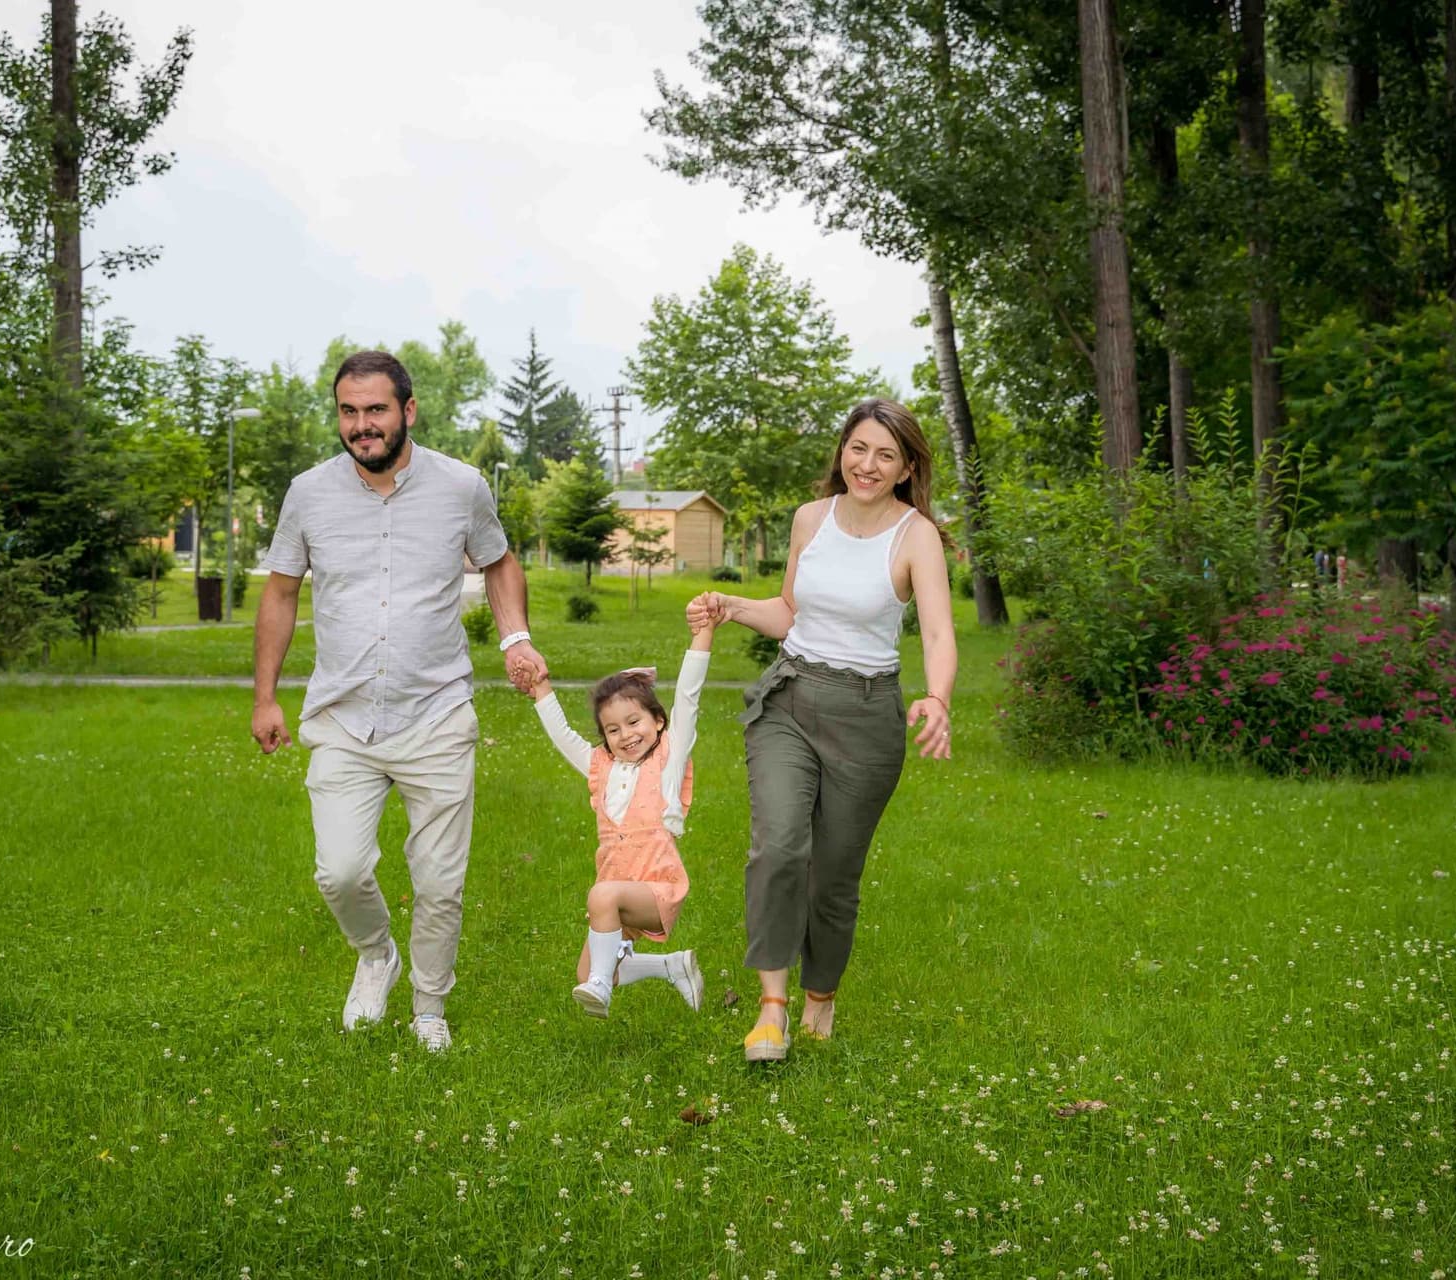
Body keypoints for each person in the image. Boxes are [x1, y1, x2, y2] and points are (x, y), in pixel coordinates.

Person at [251, 350, 547, 1052]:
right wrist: (264, 696)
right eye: (349, 412)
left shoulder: (462, 487)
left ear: (408, 411)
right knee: (341, 870)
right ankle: (377, 955)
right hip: (343, 718)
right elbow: (282, 592)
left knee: (440, 883)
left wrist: (516, 640)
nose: (362, 426)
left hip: (437, 714)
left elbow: (500, 560)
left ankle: (430, 1007)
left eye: (376, 410)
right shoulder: (308, 494)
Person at [689, 397, 957, 1063]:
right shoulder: (811, 518)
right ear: (843, 451)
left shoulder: (915, 535)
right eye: (858, 448)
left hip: (867, 717)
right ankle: (771, 1009)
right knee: (778, 848)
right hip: (793, 698)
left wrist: (938, 698)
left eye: (885, 455)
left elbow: (941, 631)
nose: (867, 464)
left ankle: (820, 999)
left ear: (905, 468)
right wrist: (730, 607)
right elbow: (788, 611)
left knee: (833, 877)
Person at [517, 607, 714, 1018]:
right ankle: (671, 966)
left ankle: (601, 989)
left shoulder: (669, 760)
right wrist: (541, 688)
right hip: (615, 892)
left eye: (634, 722)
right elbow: (562, 736)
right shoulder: (600, 769)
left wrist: (703, 634)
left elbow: (689, 695)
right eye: (613, 729)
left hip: (657, 887)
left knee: (600, 907)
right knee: (585, 969)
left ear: (659, 721)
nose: (626, 735)